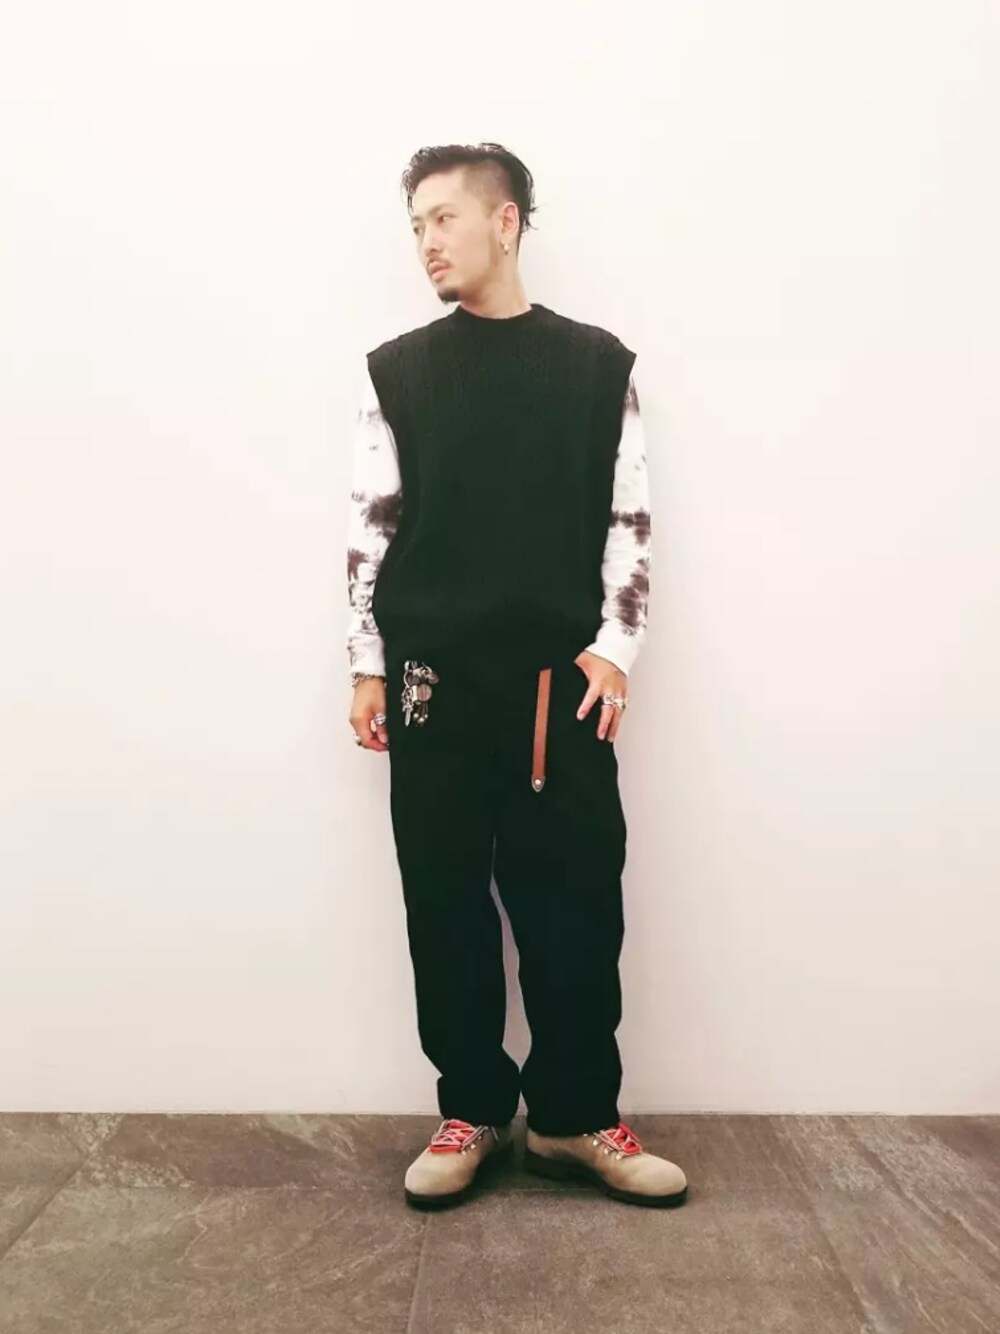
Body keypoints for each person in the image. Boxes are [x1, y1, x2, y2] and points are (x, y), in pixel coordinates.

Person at [345, 143, 687, 1211]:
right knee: (442, 906)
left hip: (557, 690)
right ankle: (473, 1109)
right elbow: (371, 527)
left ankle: (576, 1117)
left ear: (506, 222)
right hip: (432, 685)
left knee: (575, 906)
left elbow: (629, 518)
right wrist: (366, 662)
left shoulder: (595, 367)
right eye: (415, 225)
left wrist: (614, 647)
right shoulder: (399, 372)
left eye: (443, 217)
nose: (426, 242)